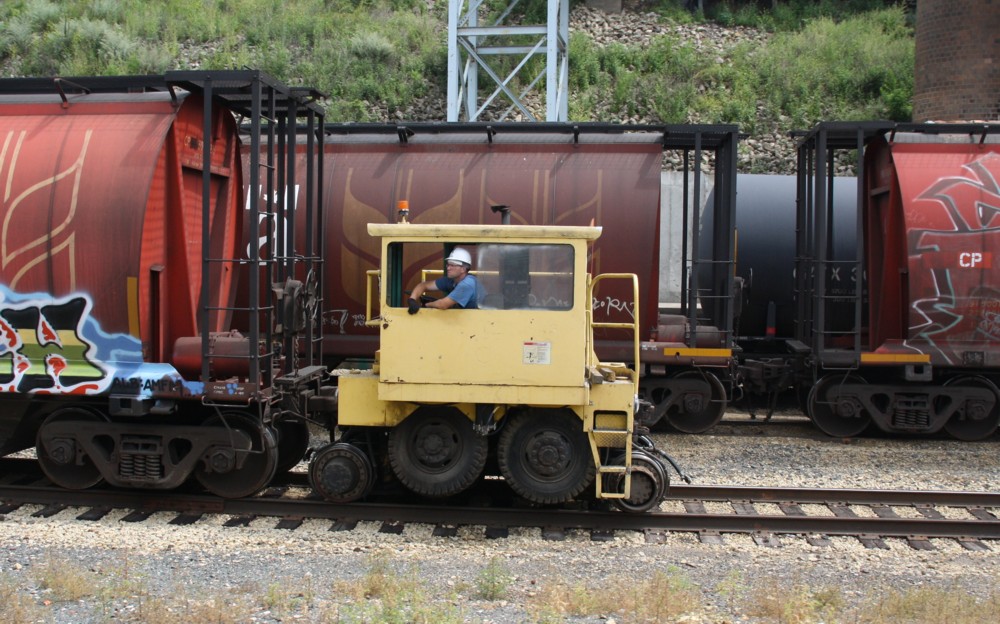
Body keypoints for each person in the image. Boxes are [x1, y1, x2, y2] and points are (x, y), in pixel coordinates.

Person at [408, 247, 480, 313]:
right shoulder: (451, 280)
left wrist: (426, 305)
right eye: (448, 265)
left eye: (452, 265)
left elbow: (443, 305)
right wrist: (412, 300)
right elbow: (423, 285)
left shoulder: (467, 284)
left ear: (463, 269)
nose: (448, 268)